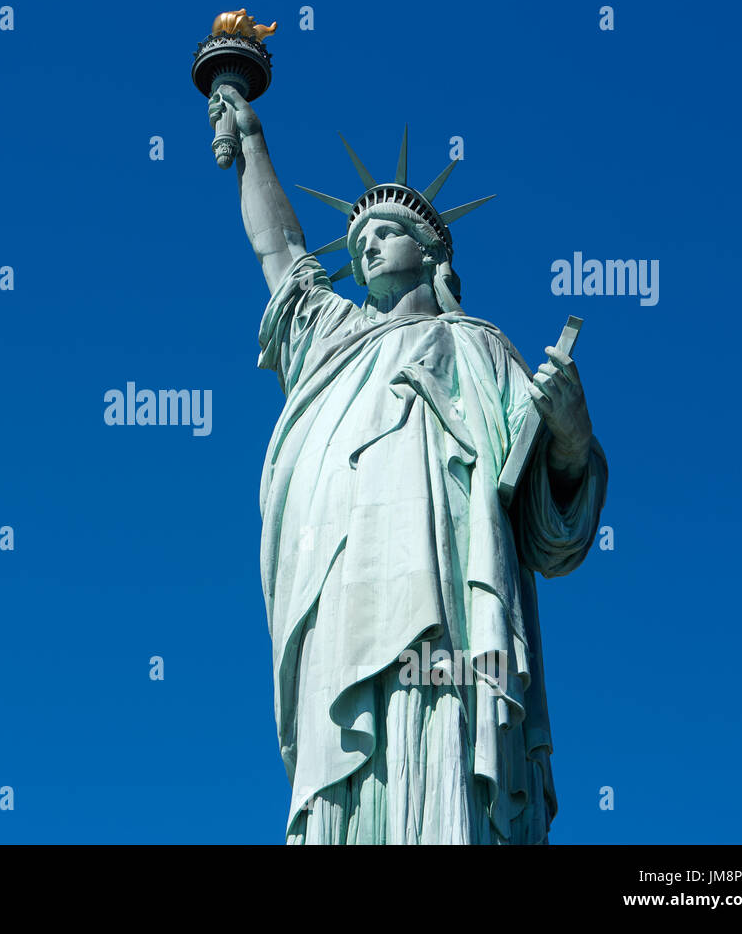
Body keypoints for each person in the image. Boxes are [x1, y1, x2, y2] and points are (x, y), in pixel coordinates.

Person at [209, 85, 609, 844]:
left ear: (429, 251)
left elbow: (550, 527)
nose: (365, 245)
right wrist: (254, 144)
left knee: (443, 740)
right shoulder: (332, 340)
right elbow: (280, 254)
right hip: (344, 601)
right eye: (358, 238)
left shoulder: (481, 348)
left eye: (385, 230)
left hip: (453, 605)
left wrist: (568, 435)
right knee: (354, 774)